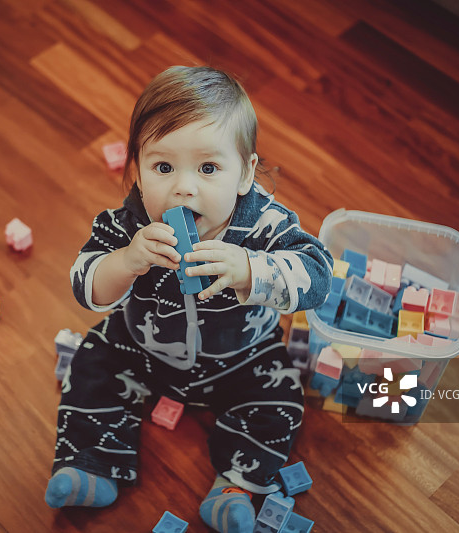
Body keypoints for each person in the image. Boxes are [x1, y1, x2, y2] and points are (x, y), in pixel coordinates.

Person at [45, 65, 333, 533]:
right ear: (136, 171)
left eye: (208, 168)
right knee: (91, 361)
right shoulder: (127, 226)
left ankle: (236, 486)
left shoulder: (263, 225)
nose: (183, 186)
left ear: (245, 174)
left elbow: (319, 277)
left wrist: (251, 269)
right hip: (139, 350)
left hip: (243, 360)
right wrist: (128, 260)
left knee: (282, 395)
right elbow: (85, 284)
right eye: (163, 167)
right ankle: (90, 462)